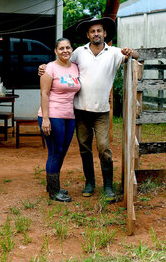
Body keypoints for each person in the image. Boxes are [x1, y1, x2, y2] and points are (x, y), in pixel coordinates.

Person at [39, 17, 138, 202]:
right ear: (88, 35)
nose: (96, 34)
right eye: (92, 31)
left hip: (101, 110)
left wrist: (132, 52)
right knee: (84, 148)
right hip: (79, 110)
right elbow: (62, 62)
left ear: (105, 33)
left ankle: (108, 186)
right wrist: (44, 68)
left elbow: (136, 57)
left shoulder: (114, 53)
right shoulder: (79, 52)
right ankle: (90, 183)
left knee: (103, 147)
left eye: (99, 31)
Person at [38, 38, 80, 202]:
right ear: (55, 51)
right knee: (55, 152)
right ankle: (54, 192)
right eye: (61, 48)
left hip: (69, 116)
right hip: (52, 115)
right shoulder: (49, 68)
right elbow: (44, 94)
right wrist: (46, 119)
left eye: (68, 47)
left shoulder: (75, 67)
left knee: (62, 151)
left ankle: (52, 185)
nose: (65, 51)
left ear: (71, 49)